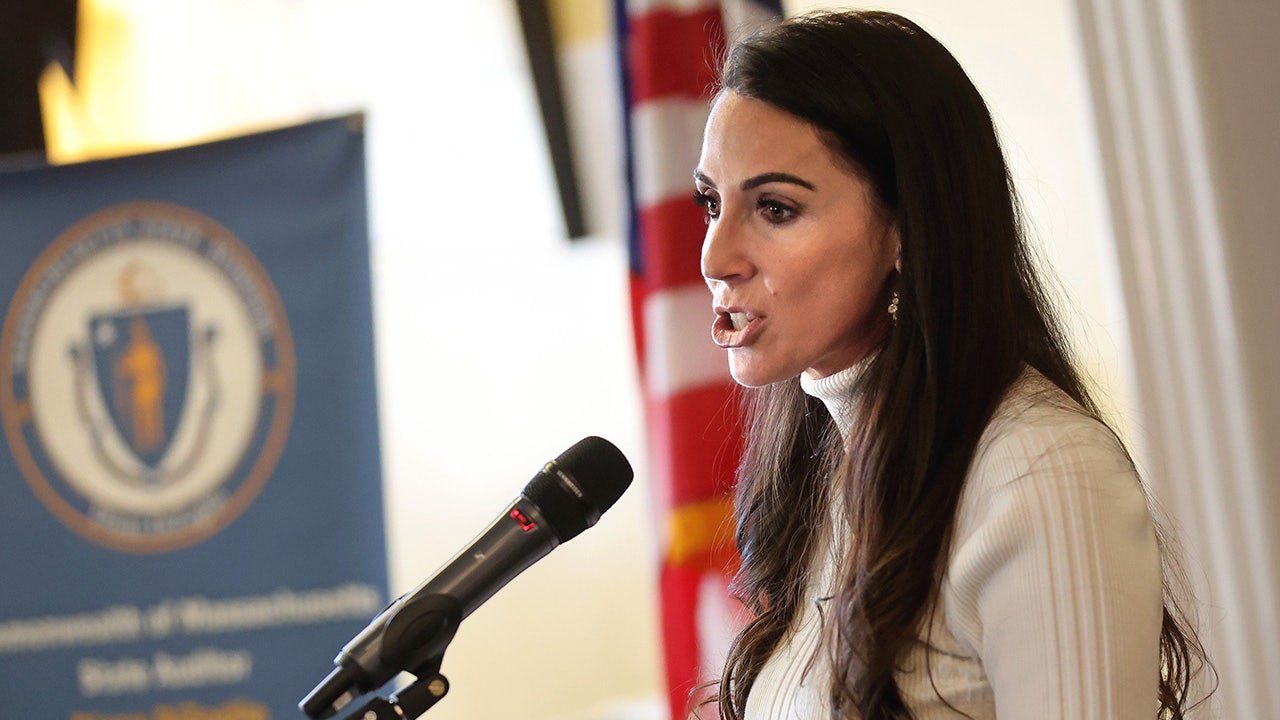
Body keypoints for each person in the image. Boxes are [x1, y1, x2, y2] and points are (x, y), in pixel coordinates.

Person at [693, 9, 1210, 719]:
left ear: (908, 225)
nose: (715, 257)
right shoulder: (824, 475)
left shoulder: (1041, 471)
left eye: (775, 209)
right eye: (711, 203)